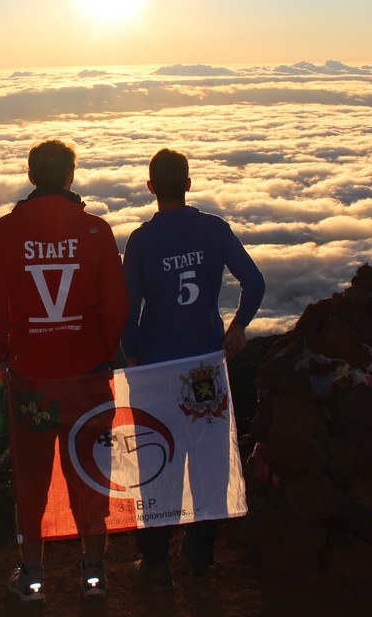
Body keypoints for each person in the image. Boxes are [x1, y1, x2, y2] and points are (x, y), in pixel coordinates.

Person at [0, 139, 129, 603]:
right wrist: (102, 352)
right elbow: (116, 304)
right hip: (87, 378)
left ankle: (33, 576)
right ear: (70, 177)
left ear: (30, 177)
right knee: (89, 471)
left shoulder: (5, 231)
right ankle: (94, 573)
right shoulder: (97, 232)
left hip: (31, 382)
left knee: (31, 478)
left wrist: (2, 352)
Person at [120, 147, 266, 589]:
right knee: (208, 460)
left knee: (157, 459)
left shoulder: (141, 241)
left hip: (156, 371)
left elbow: (129, 309)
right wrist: (237, 328)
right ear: (187, 183)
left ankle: (155, 562)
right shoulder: (214, 230)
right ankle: (200, 555)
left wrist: (132, 355)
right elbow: (255, 282)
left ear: (150, 188)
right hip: (205, 367)